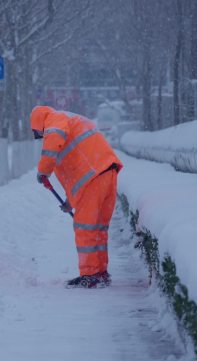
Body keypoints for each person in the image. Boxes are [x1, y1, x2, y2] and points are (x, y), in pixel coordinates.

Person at [30, 105, 123, 288]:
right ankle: (100, 272)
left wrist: (43, 171)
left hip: (93, 177)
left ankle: (89, 274)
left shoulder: (54, 120)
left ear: (39, 122)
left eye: (39, 133)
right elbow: (75, 173)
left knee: (85, 228)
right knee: (97, 228)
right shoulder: (71, 120)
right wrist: (69, 201)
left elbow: (53, 143)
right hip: (106, 172)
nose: (42, 137)